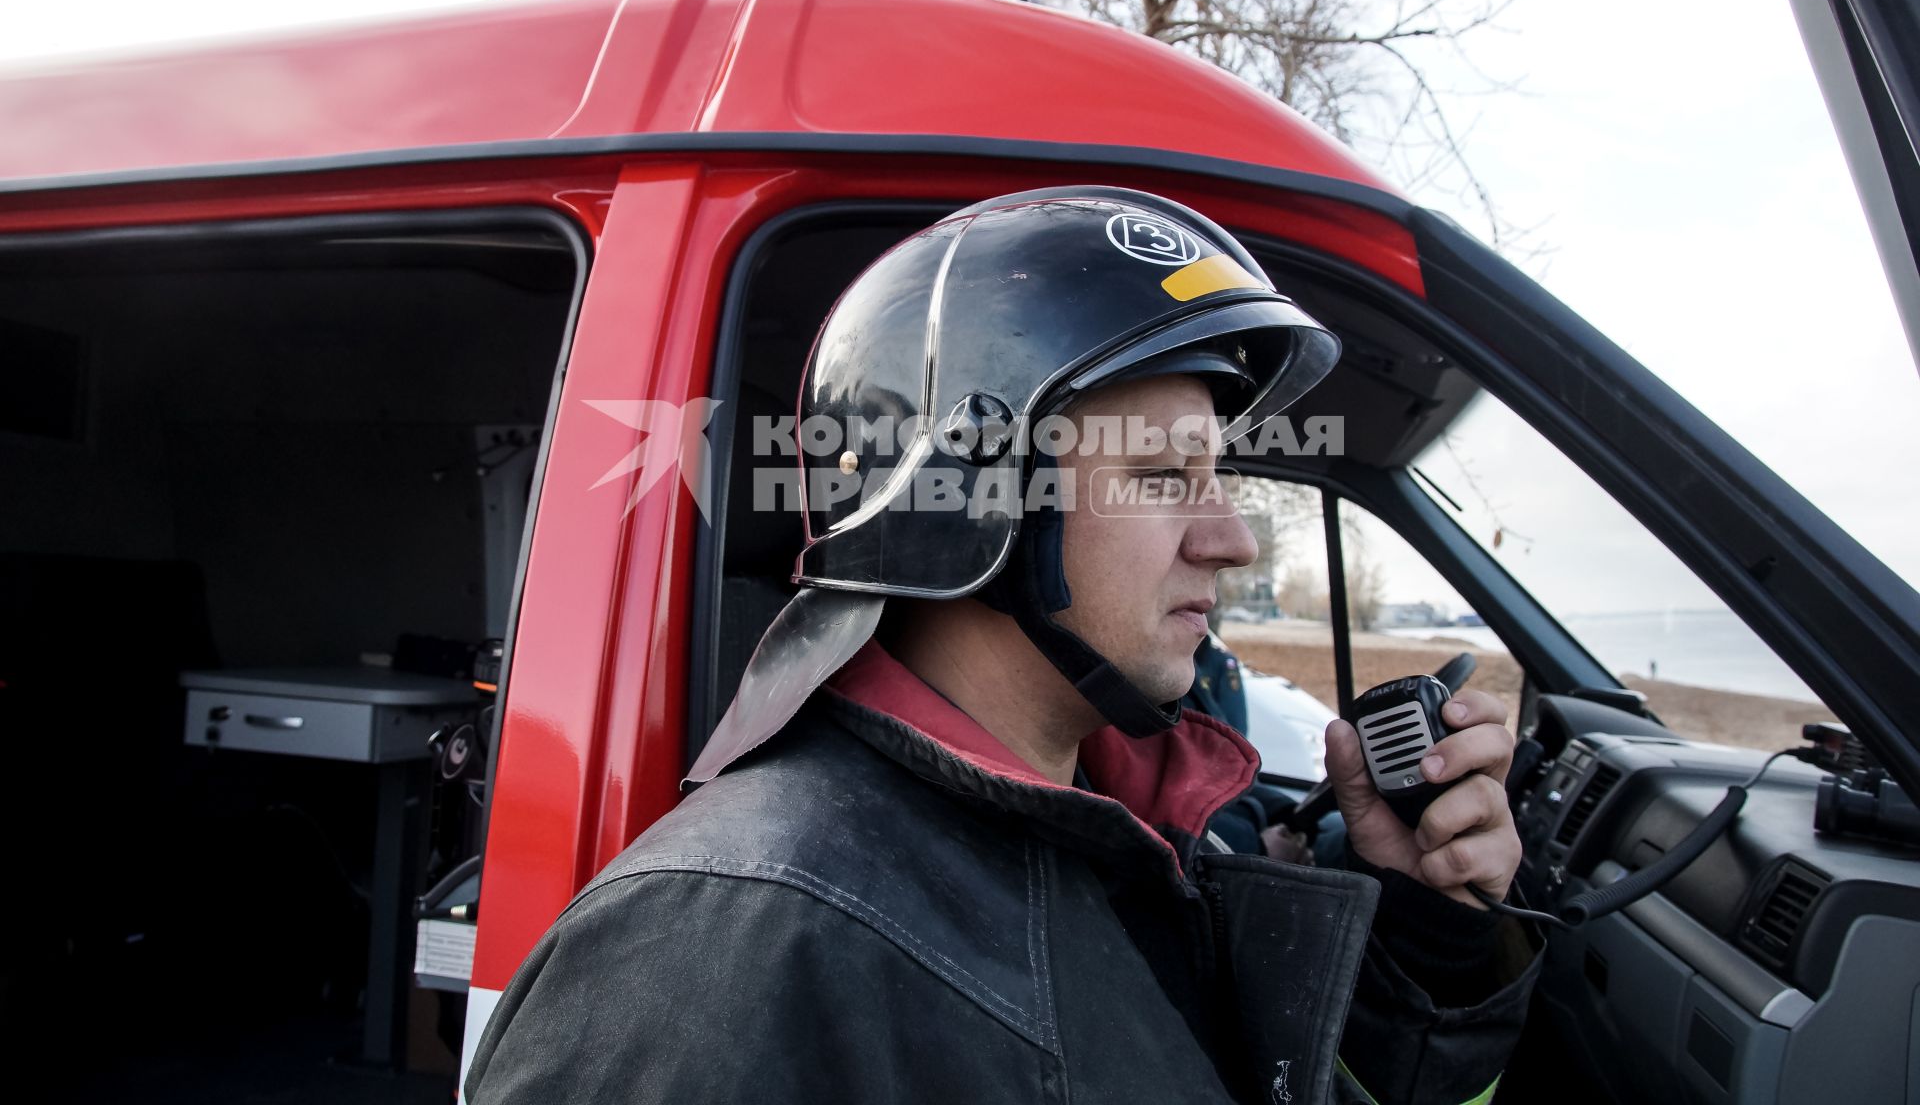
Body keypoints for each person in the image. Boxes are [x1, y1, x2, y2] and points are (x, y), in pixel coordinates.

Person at [466, 188, 1538, 1104]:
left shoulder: (1129, 835)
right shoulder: (721, 952)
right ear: (973, 504)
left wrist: (1424, 936)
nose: (1234, 539)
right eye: (1165, 478)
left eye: (1222, 480)